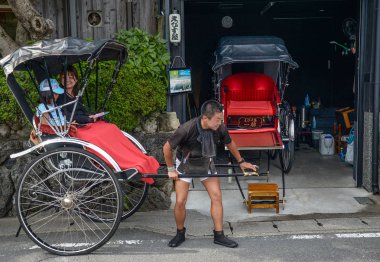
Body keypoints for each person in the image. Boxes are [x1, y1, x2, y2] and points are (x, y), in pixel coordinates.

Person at [163, 100, 257, 248]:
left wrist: (241, 161)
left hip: (207, 162)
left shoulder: (220, 128)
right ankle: (180, 233)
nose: (220, 123)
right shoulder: (187, 129)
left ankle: (219, 235)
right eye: (218, 119)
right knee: (180, 201)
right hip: (186, 165)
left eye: (221, 119)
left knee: (216, 196)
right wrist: (170, 169)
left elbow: (230, 143)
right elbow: (167, 147)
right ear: (205, 118)